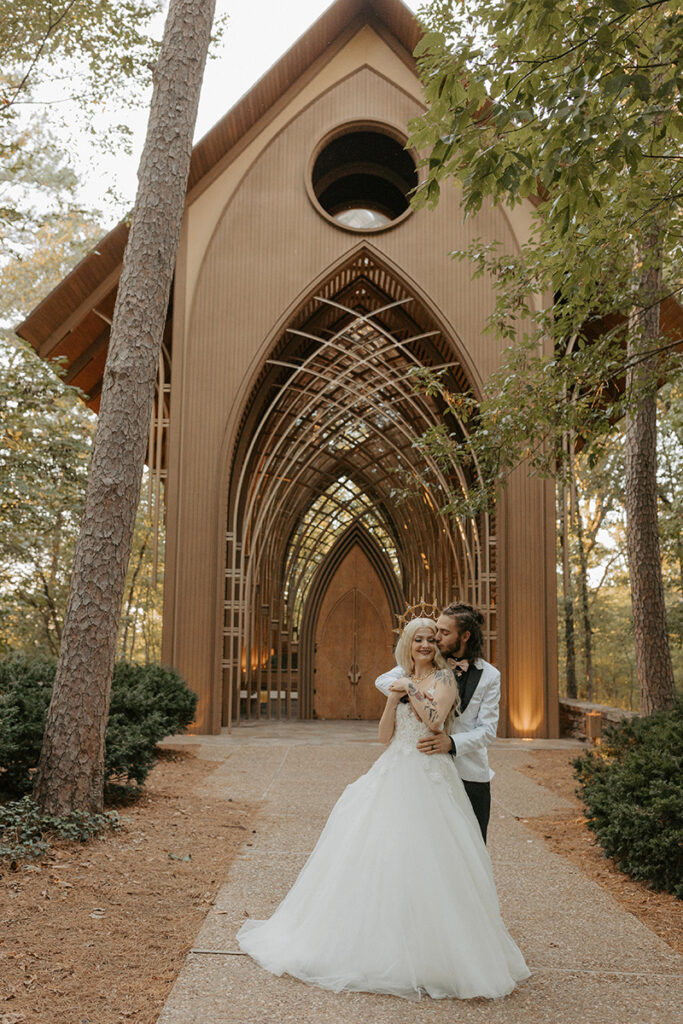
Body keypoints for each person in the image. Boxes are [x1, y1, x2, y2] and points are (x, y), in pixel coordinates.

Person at [236, 617, 529, 1000]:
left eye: (432, 638)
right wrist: (394, 697)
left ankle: (441, 947)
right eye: (419, 639)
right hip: (394, 769)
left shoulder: (445, 680)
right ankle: (381, 939)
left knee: (438, 860)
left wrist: (410, 689)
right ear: (408, 644)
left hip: (432, 774)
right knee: (383, 854)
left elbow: (436, 721)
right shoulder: (398, 679)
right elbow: (383, 736)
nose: (426, 644)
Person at [375, 603, 498, 842]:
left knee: (470, 846)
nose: (436, 637)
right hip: (423, 767)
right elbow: (385, 680)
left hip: (468, 770)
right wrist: (413, 695)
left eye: (443, 632)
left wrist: (451, 742)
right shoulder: (428, 656)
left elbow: (488, 730)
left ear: (465, 636)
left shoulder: (490, 675)